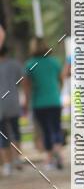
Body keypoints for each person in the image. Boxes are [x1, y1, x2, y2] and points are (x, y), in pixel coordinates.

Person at [23, 38, 65, 170]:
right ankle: (58, 151)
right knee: (56, 127)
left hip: (39, 102)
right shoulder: (54, 62)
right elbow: (61, 80)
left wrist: (26, 102)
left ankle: (49, 158)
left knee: (45, 130)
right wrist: (57, 92)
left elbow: (27, 86)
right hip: (54, 101)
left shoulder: (30, 64)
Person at [0, 43, 24, 176]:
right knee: (16, 132)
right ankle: (17, 159)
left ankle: (7, 164)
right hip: (13, 101)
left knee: (3, 136)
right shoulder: (14, 64)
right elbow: (22, 79)